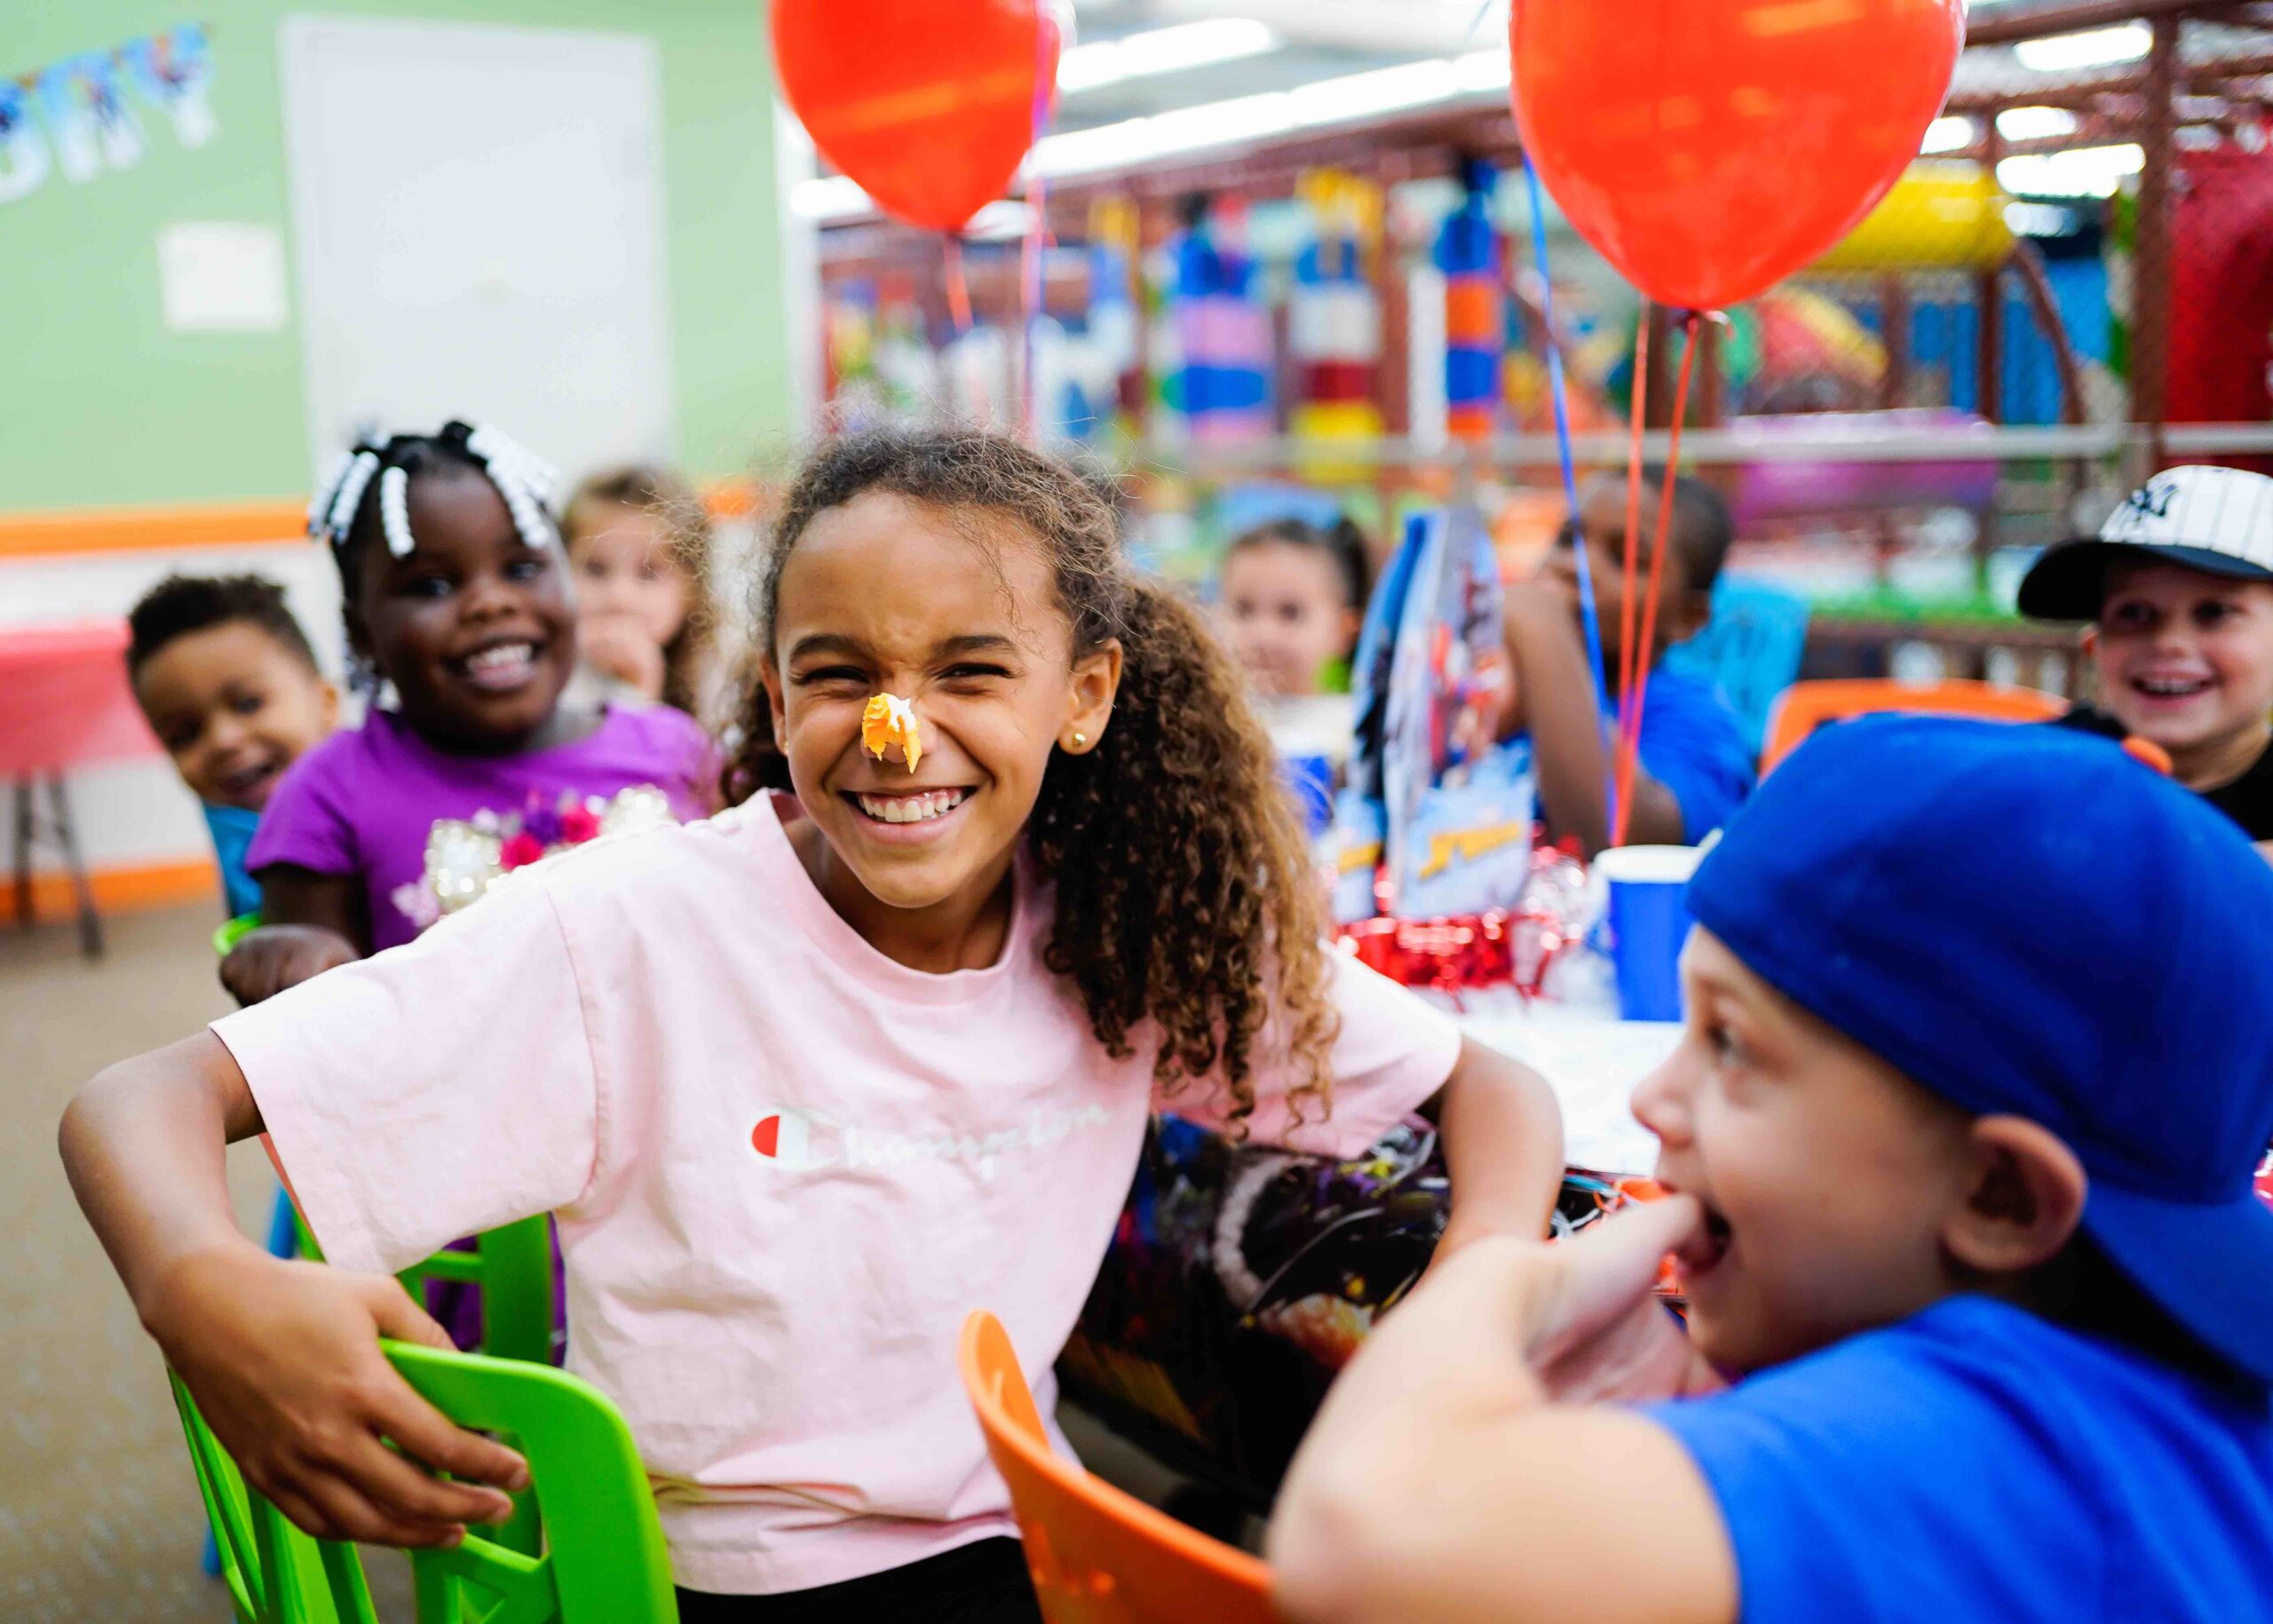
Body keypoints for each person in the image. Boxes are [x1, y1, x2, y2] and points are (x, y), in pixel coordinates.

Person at [60, 428, 1564, 1620]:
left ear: (1086, 693)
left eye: (971, 669)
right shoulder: (631, 925)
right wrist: (197, 1279)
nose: (895, 730)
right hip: (713, 1570)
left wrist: (1477, 1283)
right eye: (840, 674)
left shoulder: (1125, 925)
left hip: (1000, 1527)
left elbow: (1485, 1085)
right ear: (775, 694)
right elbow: (136, 1097)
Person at [1269, 716, 2273, 1624]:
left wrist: (1500, 1275)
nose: (1651, 1099)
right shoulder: (2164, 1392)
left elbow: (1363, 1537)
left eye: (1731, 1045)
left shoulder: (1981, 1438)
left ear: (1998, 1194)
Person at [218, 421, 714, 1007]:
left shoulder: (676, 748)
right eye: (431, 584)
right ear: (361, 631)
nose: (491, 601)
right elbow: (314, 1037)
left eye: (523, 569)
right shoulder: (327, 795)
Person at [1501, 471, 1754, 855]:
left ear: (1688, 617)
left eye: (1624, 559)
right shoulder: (1508, 695)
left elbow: (1624, 839)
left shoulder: (1695, 716)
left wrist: (1544, 629)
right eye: (1569, 540)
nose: (1575, 566)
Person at [2019, 463, 2273, 845]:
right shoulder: (2037, 768)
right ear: (2095, 649)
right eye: (2134, 613)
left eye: (2214, 612)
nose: (2168, 643)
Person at [125, 574, 338, 921]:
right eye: (185, 734)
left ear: (325, 702)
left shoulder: (391, 804)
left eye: (248, 704)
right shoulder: (236, 834)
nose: (224, 740)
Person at [560, 463, 722, 724]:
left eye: (648, 573)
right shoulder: (552, 681)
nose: (619, 597)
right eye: (595, 569)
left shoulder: (717, 684)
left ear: (691, 590)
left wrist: (639, 695)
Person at [1219, 515, 1371, 699]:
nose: (1263, 635)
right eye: (1243, 610)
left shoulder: (1347, 723)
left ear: (1345, 631)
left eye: (1291, 613)